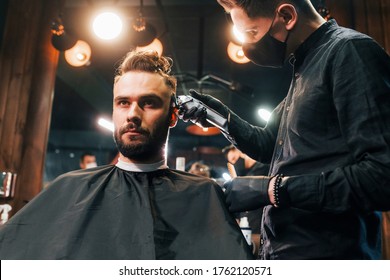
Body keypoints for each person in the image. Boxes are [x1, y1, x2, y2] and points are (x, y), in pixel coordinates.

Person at [178, 0, 390, 259]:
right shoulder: (305, 68)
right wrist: (218, 117)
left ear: (287, 16)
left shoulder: (349, 52)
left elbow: (382, 177)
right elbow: (268, 143)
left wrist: (273, 189)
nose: (248, 46)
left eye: (252, 33)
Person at [0, 50, 253, 260]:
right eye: (123, 102)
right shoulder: (68, 188)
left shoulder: (203, 195)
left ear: (173, 116)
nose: (132, 114)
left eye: (149, 102)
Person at [222, 144, 270, 256]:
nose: (235, 163)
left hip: (261, 229)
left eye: (234, 158)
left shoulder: (264, 168)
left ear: (240, 150)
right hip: (248, 229)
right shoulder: (245, 175)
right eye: (232, 162)